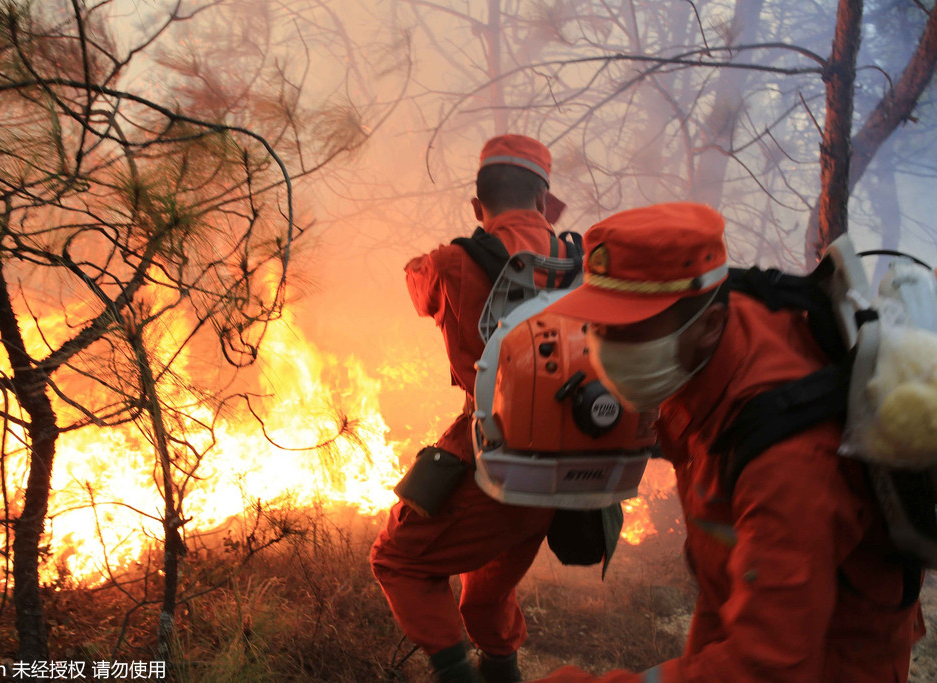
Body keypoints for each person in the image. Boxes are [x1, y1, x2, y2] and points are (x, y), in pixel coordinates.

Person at [533, 202, 926, 682]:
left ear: (709, 327)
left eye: (628, 331)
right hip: (734, 598)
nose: (604, 349)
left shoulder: (790, 467)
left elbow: (769, 666)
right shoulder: (719, 324)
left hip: (830, 656)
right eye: (597, 325)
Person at [370, 135, 562, 683]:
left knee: (396, 559)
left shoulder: (454, 262)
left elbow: (418, 287)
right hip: (567, 470)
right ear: (546, 203)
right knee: (485, 595)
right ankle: (502, 668)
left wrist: (438, 259)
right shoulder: (582, 257)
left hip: (496, 453)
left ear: (479, 207)